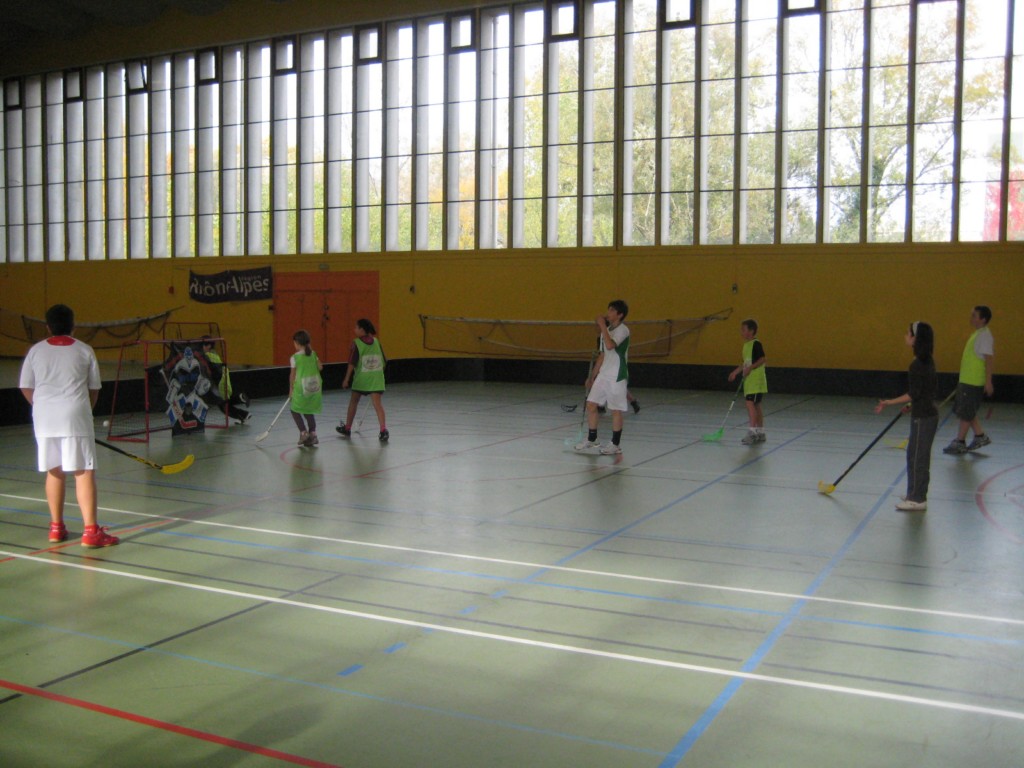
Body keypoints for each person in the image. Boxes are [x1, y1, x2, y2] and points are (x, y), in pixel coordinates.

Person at [19, 304, 119, 548]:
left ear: (48, 327)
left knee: (54, 470)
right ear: (74, 326)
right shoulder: (84, 350)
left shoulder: (35, 351)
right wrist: (83, 413)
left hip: (44, 417)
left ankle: (56, 528)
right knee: (83, 471)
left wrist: (42, 406)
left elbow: (25, 386)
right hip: (75, 415)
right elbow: (94, 389)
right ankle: (91, 532)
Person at [875, 322, 938, 512]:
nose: (905, 336)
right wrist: (911, 406)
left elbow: (914, 393)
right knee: (913, 455)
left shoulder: (917, 364)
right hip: (923, 414)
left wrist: (889, 402)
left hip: (924, 418)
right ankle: (913, 493)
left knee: (919, 457)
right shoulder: (926, 360)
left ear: (915, 339)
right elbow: (923, 391)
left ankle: (918, 499)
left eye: (908, 333)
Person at [575, 300, 630, 455]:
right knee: (591, 404)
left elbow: (611, 345)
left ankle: (615, 444)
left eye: (612, 310)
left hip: (617, 375)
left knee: (615, 410)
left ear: (620, 315)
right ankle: (592, 439)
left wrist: (602, 326)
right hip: (604, 375)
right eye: (608, 309)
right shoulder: (605, 331)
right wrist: (592, 376)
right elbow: (602, 355)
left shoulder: (623, 330)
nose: (608, 313)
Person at [943, 305, 994, 455]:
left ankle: (960, 442)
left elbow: (989, 359)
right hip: (967, 380)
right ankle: (979, 435)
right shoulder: (977, 334)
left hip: (973, 381)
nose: (971, 318)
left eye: (974, 316)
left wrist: (988, 381)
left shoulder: (985, 336)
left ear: (983, 319)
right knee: (967, 410)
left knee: (966, 412)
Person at [336, 319, 389, 442]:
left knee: (353, 402)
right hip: (376, 379)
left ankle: (347, 428)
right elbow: (384, 361)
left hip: (361, 379)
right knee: (378, 405)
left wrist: (346, 379)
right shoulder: (377, 342)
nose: (354, 330)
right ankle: (383, 430)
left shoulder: (356, 343)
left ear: (362, 329)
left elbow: (351, 363)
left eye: (356, 327)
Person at [728, 318, 767, 444]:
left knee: (750, 404)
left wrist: (750, 368)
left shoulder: (756, 344)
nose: (742, 332)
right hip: (750, 381)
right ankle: (760, 432)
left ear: (751, 331)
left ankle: (752, 433)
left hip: (756, 380)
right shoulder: (746, 345)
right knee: (756, 405)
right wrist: (735, 372)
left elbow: (762, 359)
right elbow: (745, 363)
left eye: (744, 330)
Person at [200, 335, 250, 424]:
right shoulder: (214, 354)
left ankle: (240, 402)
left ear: (209, 346)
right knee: (225, 403)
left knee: (223, 406)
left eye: (202, 345)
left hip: (219, 382)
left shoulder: (206, 356)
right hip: (224, 378)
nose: (201, 348)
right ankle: (244, 413)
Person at [289, 329, 323, 447]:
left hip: (301, 387)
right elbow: (320, 367)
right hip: (314, 386)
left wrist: (291, 389)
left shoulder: (295, 357)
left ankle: (303, 432)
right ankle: (313, 434)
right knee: (308, 409)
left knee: (294, 409)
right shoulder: (313, 354)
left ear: (297, 343)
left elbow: (292, 375)